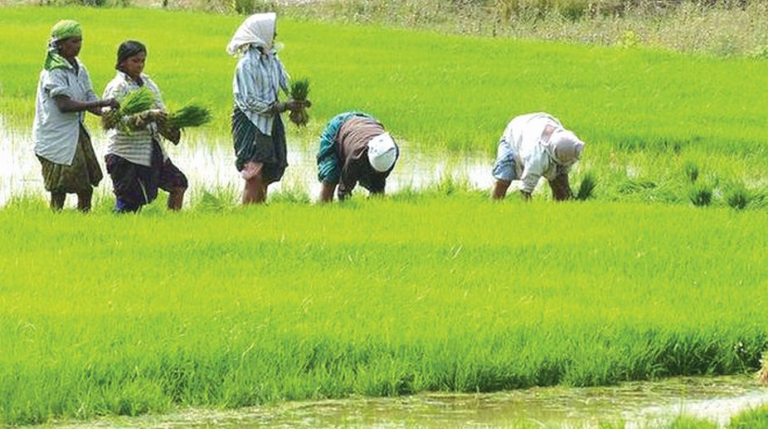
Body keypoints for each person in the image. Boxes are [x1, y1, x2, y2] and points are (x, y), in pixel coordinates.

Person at [32, 20, 118, 212]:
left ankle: (82, 223)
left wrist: (108, 114)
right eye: (72, 41)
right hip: (55, 137)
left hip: (75, 133)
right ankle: (56, 223)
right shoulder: (52, 71)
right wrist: (103, 103)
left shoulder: (79, 67)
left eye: (80, 41)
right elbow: (65, 105)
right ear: (60, 44)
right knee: (59, 189)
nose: (78, 46)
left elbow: (88, 97)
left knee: (86, 187)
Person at [228, 12, 308, 205]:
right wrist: (282, 106)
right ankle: (246, 215)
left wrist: (297, 104)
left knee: (269, 171)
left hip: (271, 120)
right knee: (253, 172)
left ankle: (259, 211)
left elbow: (284, 82)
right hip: (250, 122)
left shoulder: (272, 59)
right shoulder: (246, 65)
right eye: (272, 32)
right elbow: (249, 101)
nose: (275, 36)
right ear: (261, 34)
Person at [102, 40, 188, 213]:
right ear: (122, 61)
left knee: (178, 184)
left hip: (152, 150)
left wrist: (171, 123)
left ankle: (174, 226)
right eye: (135, 61)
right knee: (130, 202)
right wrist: (147, 116)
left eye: (142, 61)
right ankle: (116, 231)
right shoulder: (117, 87)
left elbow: (161, 111)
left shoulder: (148, 84)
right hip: (126, 154)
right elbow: (116, 121)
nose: (139, 65)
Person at [491, 112, 585, 201]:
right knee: (504, 177)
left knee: (560, 179)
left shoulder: (566, 140)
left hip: (537, 123)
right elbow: (525, 189)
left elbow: (562, 172)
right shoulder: (536, 158)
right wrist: (528, 210)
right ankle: (494, 207)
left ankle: (563, 205)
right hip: (513, 134)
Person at [317, 112, 399, 202]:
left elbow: (380, 182)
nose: (375, 171)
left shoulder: (392, 151)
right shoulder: (355, 158)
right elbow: (344, 190)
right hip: (338, 128)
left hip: (367, 123)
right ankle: (323, 206)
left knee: (377, 188)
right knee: (331, 175)